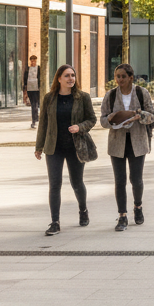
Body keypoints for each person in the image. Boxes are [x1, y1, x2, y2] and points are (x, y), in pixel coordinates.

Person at [34, 64, 96, 236]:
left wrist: (80, 126)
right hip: (54, 148)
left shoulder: (82, 97)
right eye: (67, 76)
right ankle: (55, 222)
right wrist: (39, 147)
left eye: (73, 75)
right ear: (59, 78)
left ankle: (83, 210)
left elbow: (92, 119)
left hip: (75, 147)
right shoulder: (49, 98)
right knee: (55, 185)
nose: (71, 79)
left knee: (77, 183)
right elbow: (43, 124)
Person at [99, 64, 154, 232]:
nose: (120, 80)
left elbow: (152, 116)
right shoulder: (110, 96)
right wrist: (113, 118)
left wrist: (138, 115)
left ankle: (138, 207)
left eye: (123, 76)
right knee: (120, 180)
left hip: (137, 142)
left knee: (136, 180)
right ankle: (122, 215)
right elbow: (102, 121)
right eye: (117, 76)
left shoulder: (141, 93)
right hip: (117, 143)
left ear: (131, 77)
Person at [23, 55, 41, 128]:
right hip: (30, 89)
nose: (33, 62)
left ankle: (36, 120)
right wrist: (25, 92)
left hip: (37, 89)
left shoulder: (39, 69)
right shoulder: (27, 69)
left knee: (36, 105)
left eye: (34, 61)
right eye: (32, 61)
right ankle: (34, 120)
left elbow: (41, 78)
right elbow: (25, 81)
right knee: (33, 105)